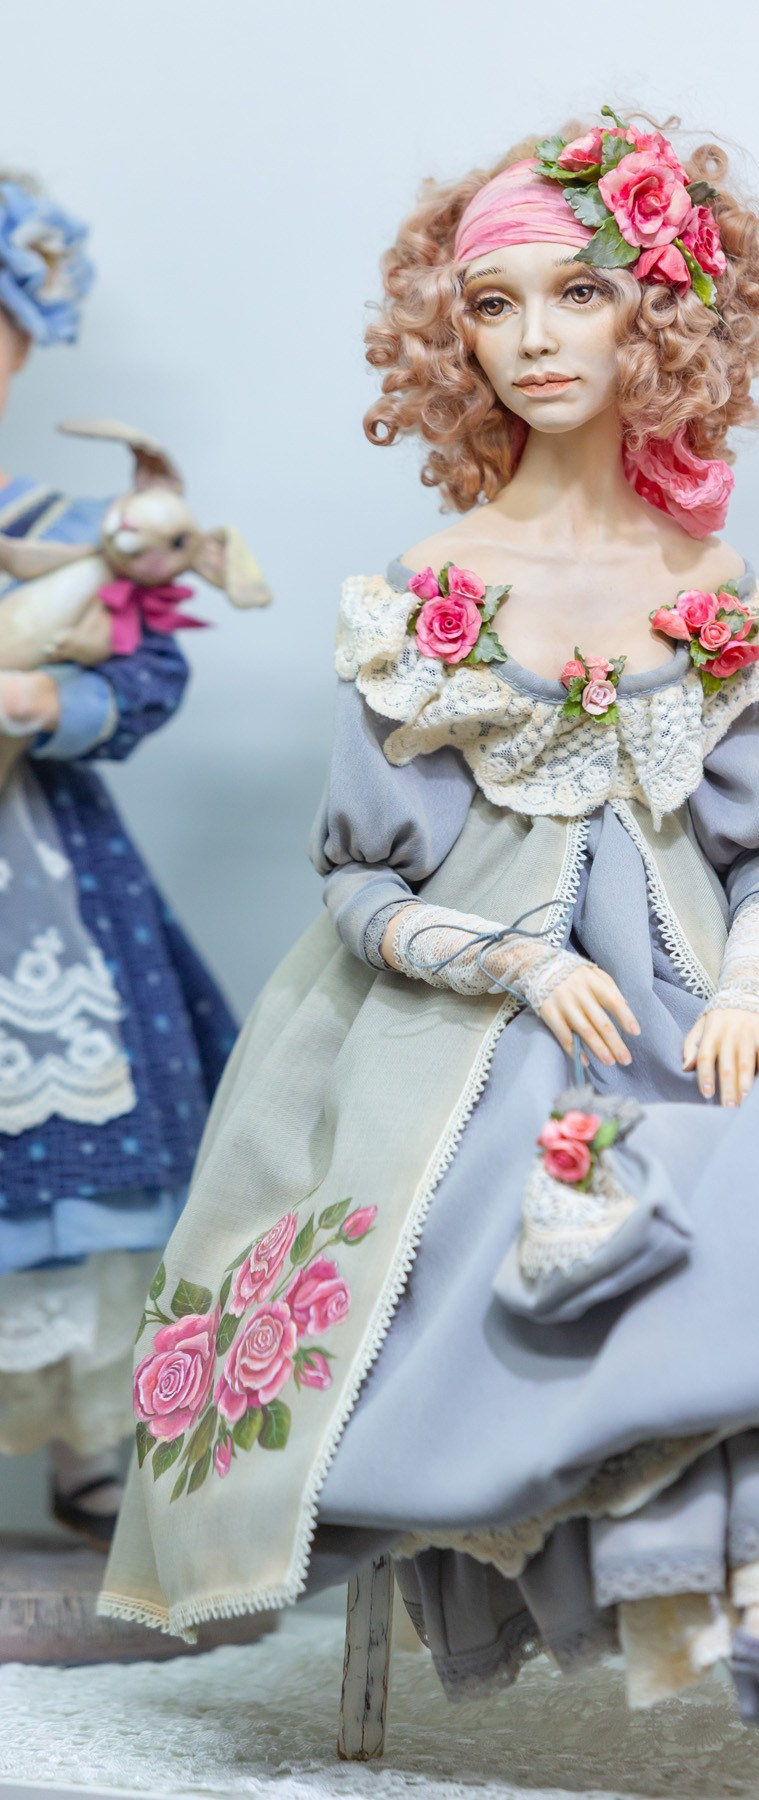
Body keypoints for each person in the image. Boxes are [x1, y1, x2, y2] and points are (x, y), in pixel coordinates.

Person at [100, 113, 759, 1785]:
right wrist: (523, 967)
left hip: (698, 1001)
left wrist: (751, 985)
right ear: (453, 335)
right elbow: (360, 889)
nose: (537, 338)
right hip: (469, 1023)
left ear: (657, 315)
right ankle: (735, 1599)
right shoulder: (428, 593)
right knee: (548, 1202)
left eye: (581, 292)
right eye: (496, 305)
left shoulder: (711, 584)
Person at [0, 171, 235, 1546]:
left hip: (34, 866)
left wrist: (49, 699)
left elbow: (148, 677)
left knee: (73, 1138)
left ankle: (88, 1441)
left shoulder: (59, 526)